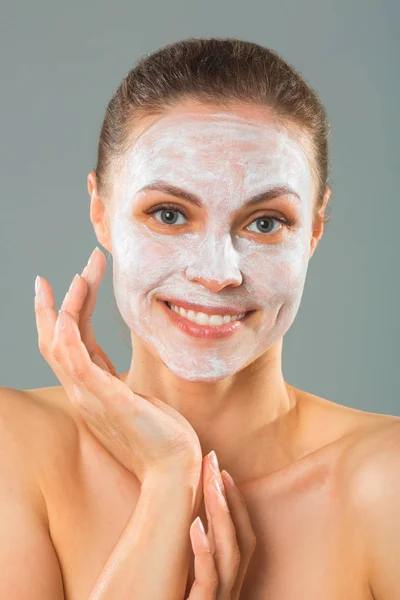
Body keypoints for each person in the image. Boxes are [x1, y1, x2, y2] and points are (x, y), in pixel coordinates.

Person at [1, 37, 399, 599]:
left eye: (265, 222)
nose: (217, 273)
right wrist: (169, 478)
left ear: (314, 229)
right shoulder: (13, 447)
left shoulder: (388, 482)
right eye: (169, 214)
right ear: (101, 213)